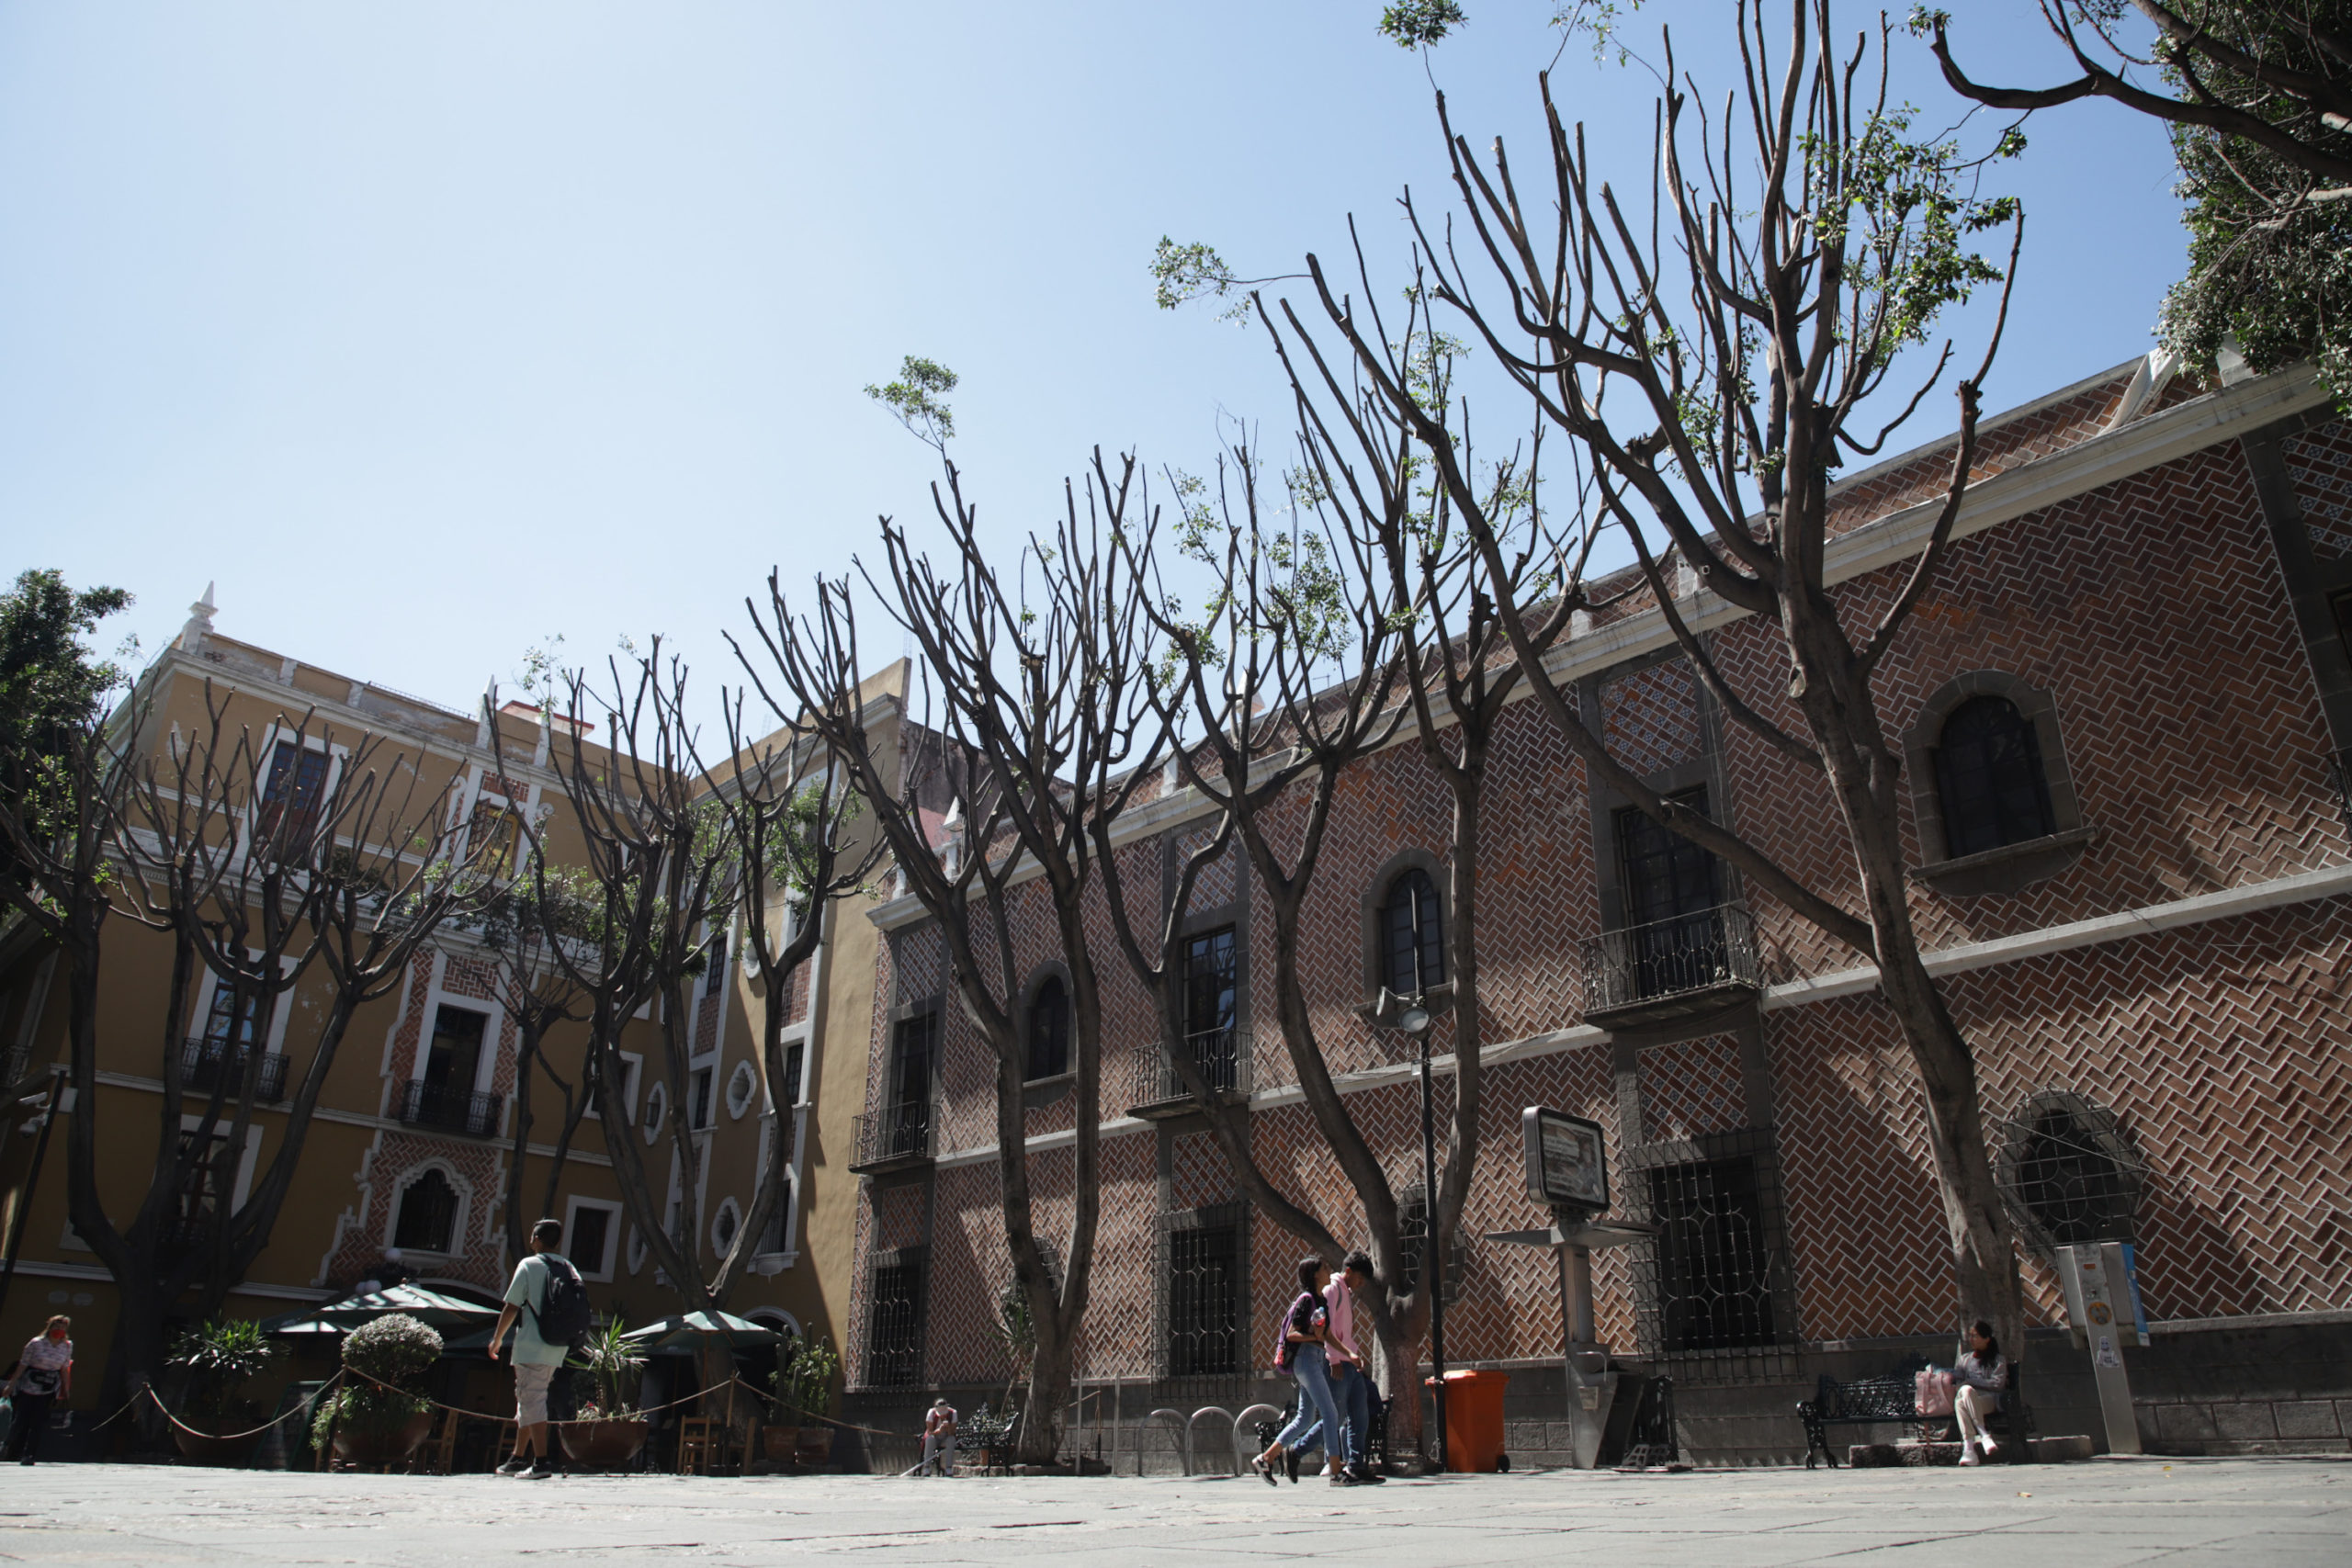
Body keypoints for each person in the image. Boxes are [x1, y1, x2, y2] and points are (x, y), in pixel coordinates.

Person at [1283, 1252, 1385, 1484]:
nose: (1360, 1285)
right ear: (1348, 1272)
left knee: (1359, 1414)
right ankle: (1297, 1451)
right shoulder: (1331, 1291)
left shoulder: (1344, 1293)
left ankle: (1357, 1466)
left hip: (1349, 1363)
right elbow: (1323, 1330)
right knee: (1334, 1417)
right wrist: (1334, 1360)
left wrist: (1350, 1355)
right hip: (1336, 1365)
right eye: (1359, 1279)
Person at [489, 1218, 577, 1480]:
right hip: (557, 1346)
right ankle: (517, 1458)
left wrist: (496, 1339)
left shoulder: (529, 1265)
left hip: (532, 1345)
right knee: (528, 1398)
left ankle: (540, 1462)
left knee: (533, 1400)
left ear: (536, 1238)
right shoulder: (568, 1267)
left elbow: (512, 1306)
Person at [1253, 1256, 1351, 1488]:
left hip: (1315, 1360)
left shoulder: (1321, 1301)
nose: (1329, 1270)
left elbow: (1326, 1336)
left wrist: (1348, 1353)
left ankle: (1266, 1458)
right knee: (1330, 1413)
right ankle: (1336, 1471)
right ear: (1315, 1274)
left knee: (1305, 1418)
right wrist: (1313, 1338)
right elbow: (1292, 1334)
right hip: (1305, 1360)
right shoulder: (1306, 1300)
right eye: (1325, 1267)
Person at [4, 1316, 73, 1465]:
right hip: (29, 1385)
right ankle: (12, 1451)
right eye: (56, 1326)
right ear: (50, 1327)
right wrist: (11, 1384)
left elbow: (64, 1368)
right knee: (21, 1420)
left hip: (48, 1387)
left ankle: (29, 1454)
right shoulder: (36, 1343)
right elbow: (23, 1364)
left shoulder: (66, 1346)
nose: (59, 1330)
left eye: (62, 1328)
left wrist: (65, 1388)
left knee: (38, 1422)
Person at [1953, 1319, 2008, 1465]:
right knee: (1963, 1396)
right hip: (1969, 1398)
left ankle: (1969, 1448)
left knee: (1962, 1400)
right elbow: (1957, 1382)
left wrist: (1971, 1382)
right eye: (1970, 1335)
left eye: (1975, 1336)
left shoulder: (1998, 1360)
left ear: (1986, 1339)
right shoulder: (1964, 1359)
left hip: (1988, 1400)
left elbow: (1997, 1383)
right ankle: (1983, 1435)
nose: (1971, 1339)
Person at [917, 1393, 957, 1477]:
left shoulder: (953, 1413)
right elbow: (930, 1431)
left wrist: (948, 1428)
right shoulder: (931, 1413)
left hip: (946, 1438)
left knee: (951, 1439)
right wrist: (939, 1431)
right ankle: (927, 1467)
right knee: (930, 1439)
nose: (943, 1415)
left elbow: (952, 1432)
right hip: (935, 1437)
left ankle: (949, 1467)